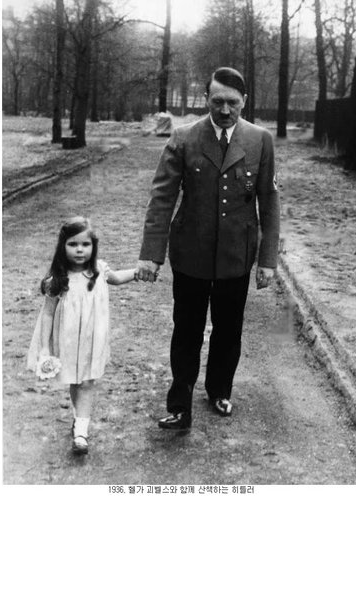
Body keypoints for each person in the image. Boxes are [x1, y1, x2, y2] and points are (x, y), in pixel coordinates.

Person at [137, 67, 280, 432]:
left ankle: (219, 390)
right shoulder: (184, 137)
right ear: (206, 99)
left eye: (233, 102)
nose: (225, 110)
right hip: (191, 253)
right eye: (217, 102)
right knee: (187, 329)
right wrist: (151, 255)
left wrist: (267, 261)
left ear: (244, 101)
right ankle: (180, 405)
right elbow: (162, 198)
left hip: (235, 255)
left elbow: (269, 201)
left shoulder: (260, 140)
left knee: (229, 330)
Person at [27, 216, 138, 454]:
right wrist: (45, 348)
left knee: (87, 382)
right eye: (73, 244)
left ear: (93, 246)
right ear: (63, 246)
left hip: (93, 338)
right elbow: (47, 314)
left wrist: (140, 272)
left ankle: (81, 433)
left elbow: (118, 278)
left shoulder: (99, 270)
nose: (80, 250)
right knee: (76, 381)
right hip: (68, 340)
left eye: (85, 244)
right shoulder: (58, 278)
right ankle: (79, 419)